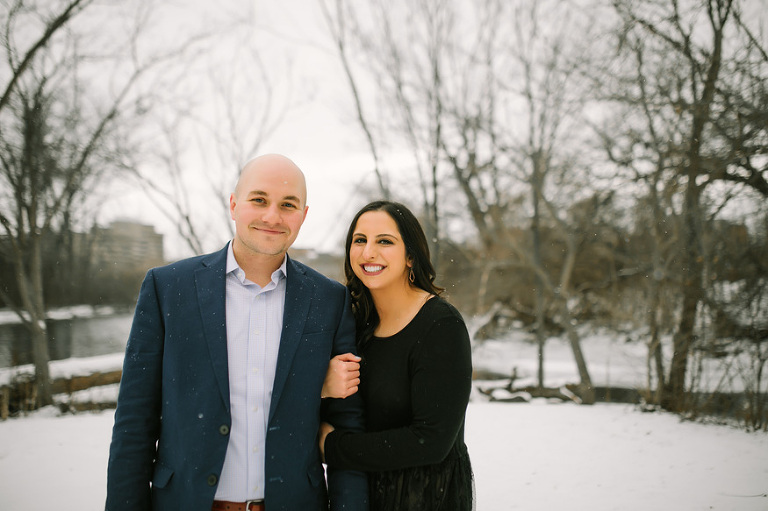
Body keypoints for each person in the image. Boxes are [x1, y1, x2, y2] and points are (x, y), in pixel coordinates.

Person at [106, 154, 368, 511]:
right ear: (233, 204)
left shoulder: (329, 299)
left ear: (304, 215)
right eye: (258, 199)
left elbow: (347, 426)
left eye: (288, 205)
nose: (272, 216)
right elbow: (134, 422)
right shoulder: (167, 288)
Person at [319, 200, 474, 511]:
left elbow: (431, 441)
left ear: (411, 257)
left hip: (425, 497)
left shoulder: (441, 326)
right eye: (359, 240)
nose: (368, 253)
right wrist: (321, 387)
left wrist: (330, 447)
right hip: (360, 495)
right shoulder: (352, 321)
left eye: (385, 242)